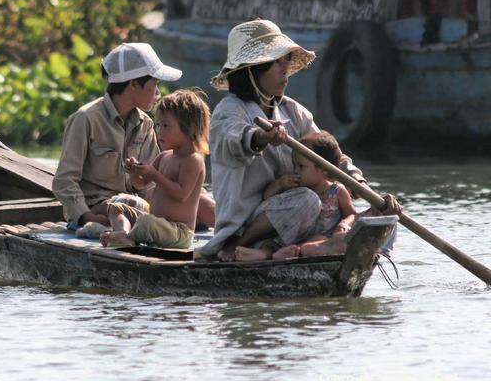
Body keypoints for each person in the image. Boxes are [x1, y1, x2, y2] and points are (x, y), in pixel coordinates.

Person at [194, 19, 401, 262]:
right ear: (253, 69)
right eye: (276, 63)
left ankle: (320, 247)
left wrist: (360, 185)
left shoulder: (293, 112)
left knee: (383, 215)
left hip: (301, 224)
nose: (285, 70)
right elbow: (236, 139)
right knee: (307, 200)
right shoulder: (229, 111)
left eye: (286, 61)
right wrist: (264, 137)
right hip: (248, 222)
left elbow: (330, 154)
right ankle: (236, 247)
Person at [52, 43, 215, 234]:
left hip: (136, 202)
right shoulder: (86, 118)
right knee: (124, 207)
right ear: (133, 84)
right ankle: (106, 227)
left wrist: (188, 200)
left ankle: (241, 233)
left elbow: (151, 182)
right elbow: (64, 181)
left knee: (203, 206)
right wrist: (86, 216)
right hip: (98, 206)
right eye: (155, 84)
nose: (158, 92)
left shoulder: (145, 123)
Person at [100, 89, 210, 249]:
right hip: (157, 222)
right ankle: (124, 233)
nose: (159, 132)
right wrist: (134, 172)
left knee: (146, 223)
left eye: (166, 126)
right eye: (158, 125)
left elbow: (181, 194)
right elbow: (141, 184)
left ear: (190, 128)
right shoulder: (164, 156)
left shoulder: (193, 160)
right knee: (117, 207)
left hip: (178, 232)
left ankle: (128, 237)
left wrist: (155, 175)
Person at [234, 131, 357, 261]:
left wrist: (344, 224)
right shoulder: (296, 188)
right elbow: (267, 197)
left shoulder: (337, 191)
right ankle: (266, 253)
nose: (295, 171)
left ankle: (275, 255)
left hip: (317, 239)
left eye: (301, 167)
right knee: (272, 242)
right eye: (294, 166)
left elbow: (352, 214)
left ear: (324, 170)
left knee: (321, 242)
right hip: (291, 237)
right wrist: (280, 184)